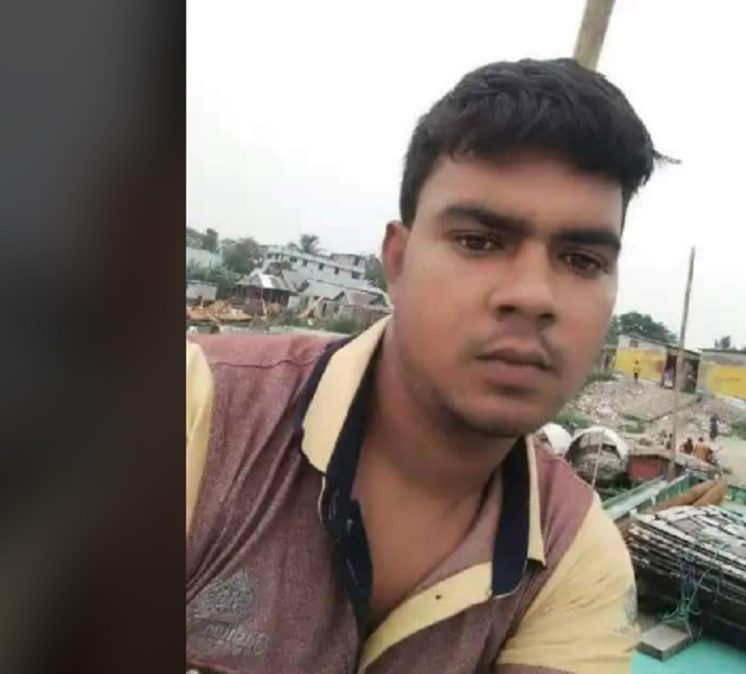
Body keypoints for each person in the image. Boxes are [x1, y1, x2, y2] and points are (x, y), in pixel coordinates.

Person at [186, 58, 663, 673]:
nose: (533, 296)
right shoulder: (200, 414)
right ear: (398, 260)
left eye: (582, 260)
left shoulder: (577, 559)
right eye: (479, 242)